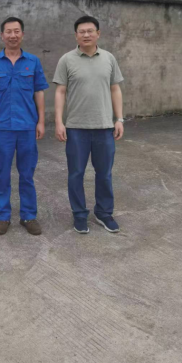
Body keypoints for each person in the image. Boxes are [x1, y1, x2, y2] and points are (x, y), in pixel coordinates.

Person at [0, 17, 49, 236]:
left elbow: (39, 92)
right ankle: (3, 216)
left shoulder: (33, 62)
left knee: (27, 173)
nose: (13, 35)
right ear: (2, 36)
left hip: (27, 126)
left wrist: (41, 121)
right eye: (8, 31)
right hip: (1, 127)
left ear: (22, 34)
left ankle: (28, 216)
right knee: (2, 173)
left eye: (17, 31)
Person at [53, 16, 124, 234]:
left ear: (98, 33)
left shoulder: (109, 58)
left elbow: (115, 89)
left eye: (90, 31)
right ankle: (79, 214)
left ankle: (104, 213)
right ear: (76, 35)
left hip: (104, 127)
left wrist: (119, 119)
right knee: (76, 173)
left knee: (104, 173)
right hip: (76, 128)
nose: (86, 35)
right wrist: (59, 121)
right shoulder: (67, 60)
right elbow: (60, 91)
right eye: (81, 31)